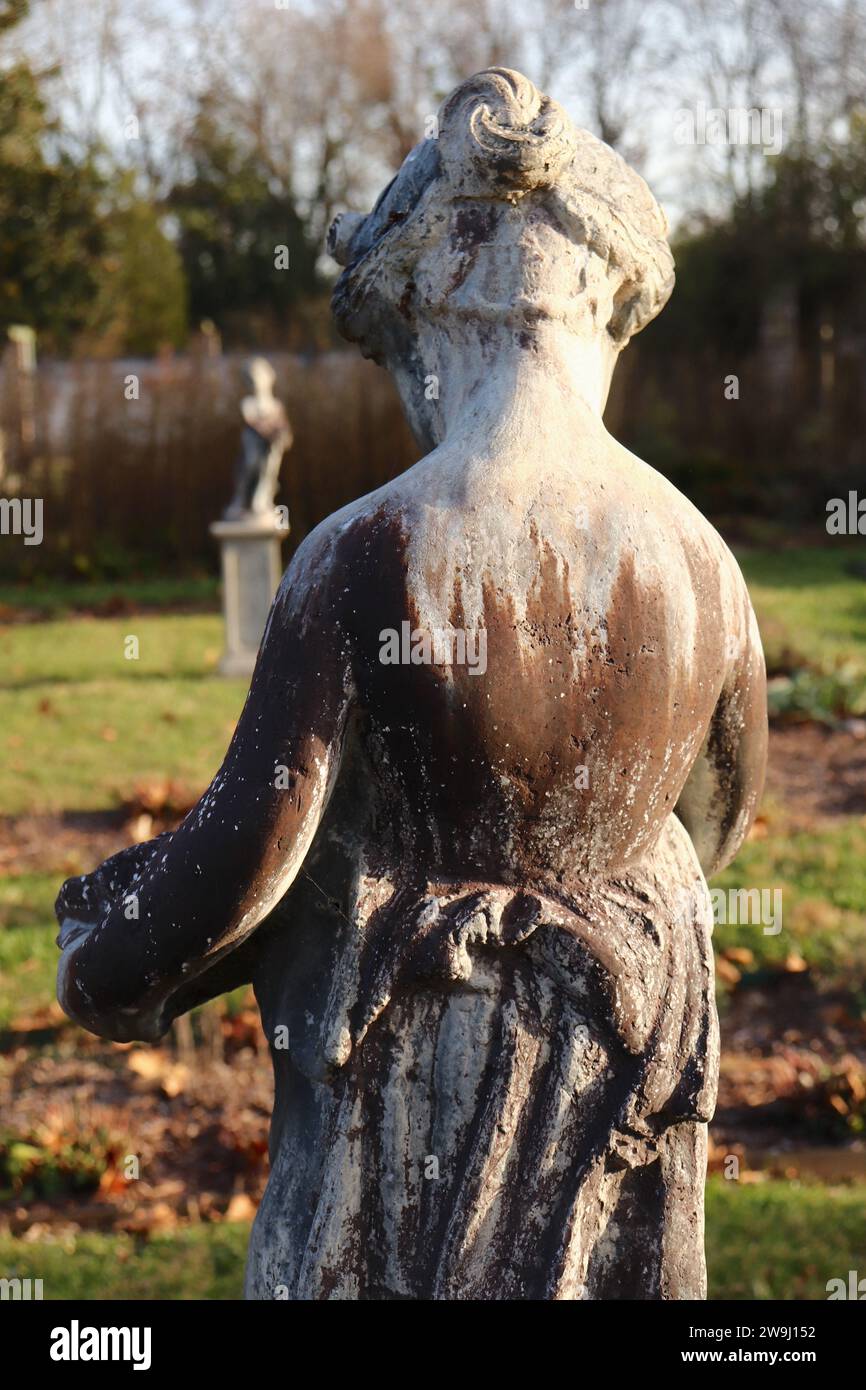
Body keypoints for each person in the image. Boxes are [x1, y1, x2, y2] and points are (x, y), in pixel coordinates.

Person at [56, 68, 766, 1300]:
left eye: (396, 354)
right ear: (601, 300)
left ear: (433, 296)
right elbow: (713, 823)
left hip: (416, 1085)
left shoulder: (366, 552)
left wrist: (105, 955)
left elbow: (248, 860)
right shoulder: (702, 560)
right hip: (623, 1076)